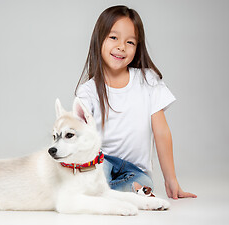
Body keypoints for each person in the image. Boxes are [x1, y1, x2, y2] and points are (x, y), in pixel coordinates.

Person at [76, 5, 197, 199]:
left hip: (134, 169)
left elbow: (162, 132)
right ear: (99, 40)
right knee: (97, 172)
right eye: (113, 38)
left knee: (144, 183)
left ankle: (106, 194)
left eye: (130, 42)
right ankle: (100, 191)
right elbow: (78, 138)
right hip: (100, 161)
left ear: (137, 47)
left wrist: (171, 180)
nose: (121, 47)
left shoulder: (148, 80)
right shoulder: (89, 91)